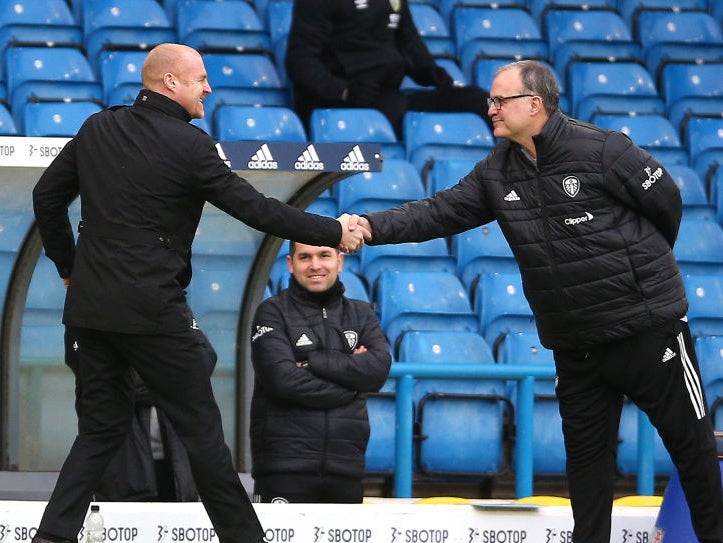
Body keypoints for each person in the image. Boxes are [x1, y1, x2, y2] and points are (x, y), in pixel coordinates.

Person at [347, 60, 723, 543]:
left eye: (500, 100)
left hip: (648, 328)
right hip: (576, 344)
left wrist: (639, 273)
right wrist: (370, 227)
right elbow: (436, 213)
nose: (491, 109)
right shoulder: (495, 173)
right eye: (490, 100)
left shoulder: (604, 149)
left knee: (690, 448)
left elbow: (665, 202)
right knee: (586, 470)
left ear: (535, 104)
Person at [31, 42, 367, 543]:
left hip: (90, 312)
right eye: (200, 79)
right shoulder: (190, 145)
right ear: (170, 82)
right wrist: (331, 231)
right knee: (202, 435)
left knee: (99, 431)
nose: (208, 88)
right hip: (154, 314)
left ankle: (51, 539)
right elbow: (256, 209)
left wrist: (70, 267)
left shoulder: (97, 126)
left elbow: (46, 197)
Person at [249, 241, 391, 503]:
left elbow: (377, 370)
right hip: (284, 470)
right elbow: (283, 381)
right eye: (305, 257)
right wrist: (353, 384)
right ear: (291, 264)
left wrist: (311, 362)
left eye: (324, 255)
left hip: (346, 469)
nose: (315, 265)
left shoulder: (361, 314)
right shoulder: (272, 312)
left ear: (339, 261)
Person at [284, 0, 493, 138]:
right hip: (339, 103)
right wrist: (344, 91)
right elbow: (299, 61)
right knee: (396, 110)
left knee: (478, 101)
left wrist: (431, 73)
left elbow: (409, 43)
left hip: (387, 97)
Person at [65, 326, 201, 502]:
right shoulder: (90, 315)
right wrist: (170, 380)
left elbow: (203, 360)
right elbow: (101, 378)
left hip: (177, 473)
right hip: (124, 471)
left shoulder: (172, 310)